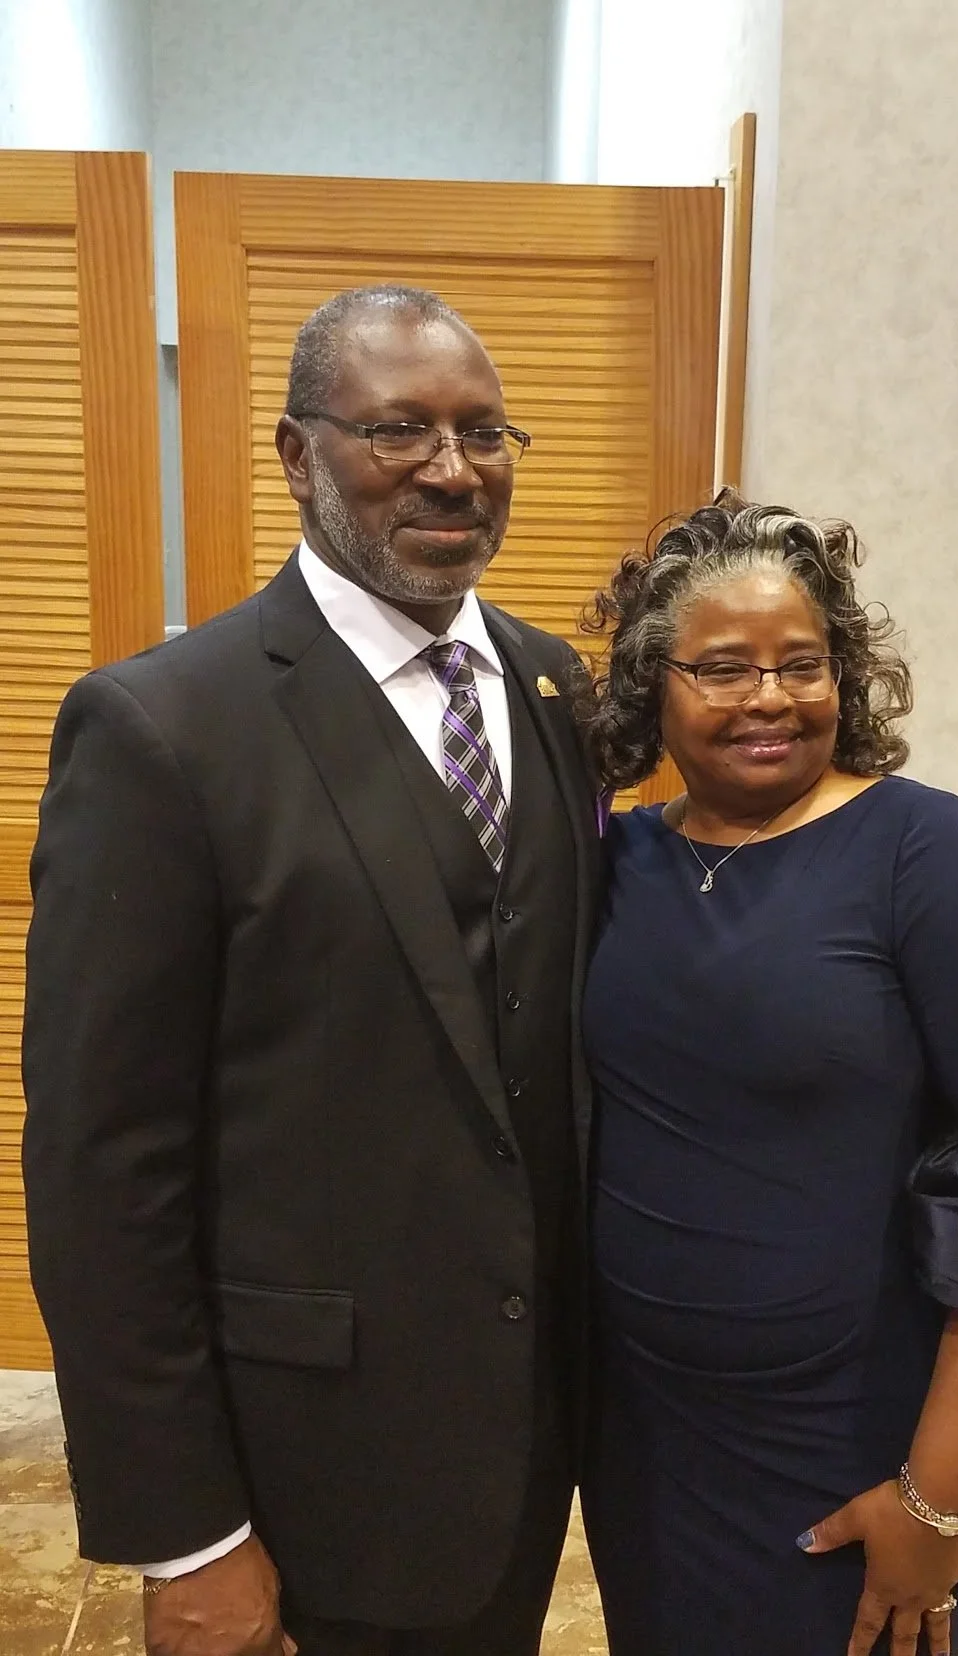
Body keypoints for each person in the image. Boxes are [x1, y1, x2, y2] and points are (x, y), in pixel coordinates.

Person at [22, 285, 601, 1656]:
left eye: (483, 432)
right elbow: (103, 1168)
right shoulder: (163, 730)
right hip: (298, 1464)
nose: (451, 471)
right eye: (397, 430)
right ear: (298, 454)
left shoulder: (554, 690)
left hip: (527, 1438)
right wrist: (186, 1531)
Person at [576, 490, 958, 1656]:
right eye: (724, 668)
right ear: (654, 685)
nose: (772, 697)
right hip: (646, 1440)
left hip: (852, 1445)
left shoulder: (925, 851)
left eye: (804, 662)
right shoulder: (617, 859)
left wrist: (940, 1505)